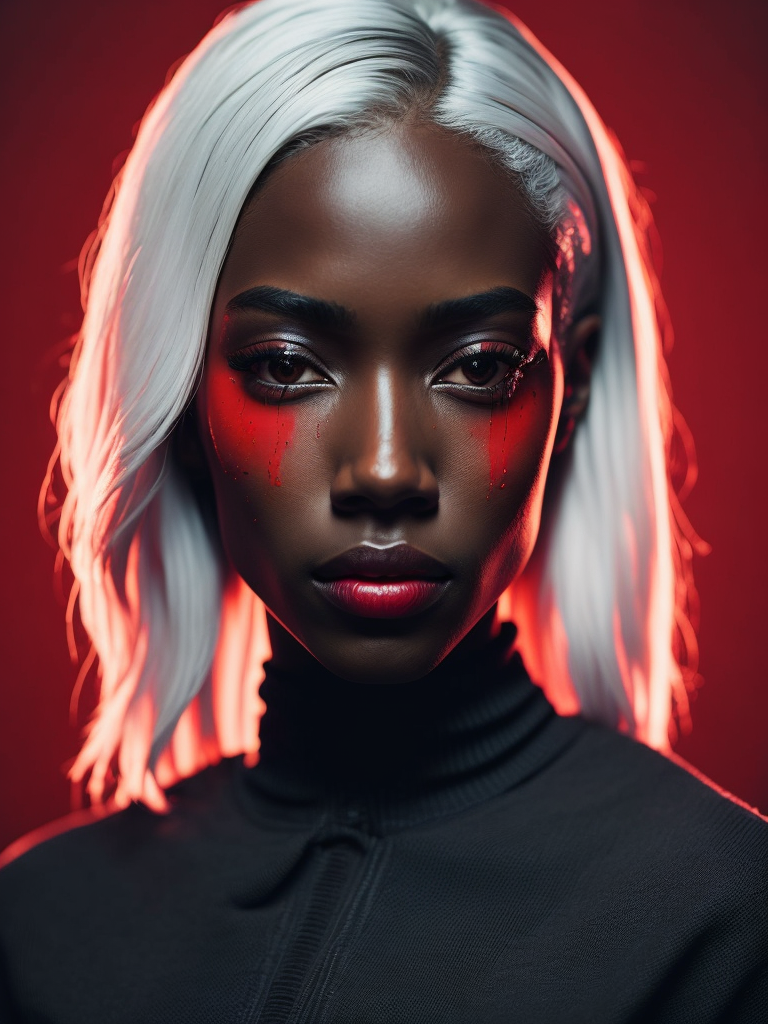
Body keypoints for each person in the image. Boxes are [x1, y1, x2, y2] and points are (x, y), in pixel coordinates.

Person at [0, 0, 765, 1020]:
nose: (388, 467)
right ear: (179, 392)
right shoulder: (37, 928)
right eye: (286, 366)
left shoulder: (722, 919)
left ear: (570, 390)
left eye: (480, 367)